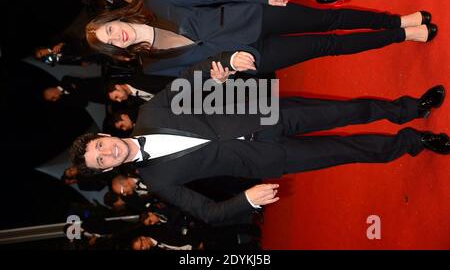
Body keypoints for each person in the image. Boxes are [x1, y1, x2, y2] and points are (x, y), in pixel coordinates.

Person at [69, 59, 448, 223]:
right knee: (347, 152)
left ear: (105, 136)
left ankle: (410, 108)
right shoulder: (156, 181)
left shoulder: (149, 114)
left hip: (265, 113)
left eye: (100, 147)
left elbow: (188, 81)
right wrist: (245, 201)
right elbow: (206, 212)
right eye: (101, 161)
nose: (106, 153)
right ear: (110, 169)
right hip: (267, 159)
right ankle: (415, 141)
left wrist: (220, 69)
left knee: (346, 111)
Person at [85, 0, 438, 77]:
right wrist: (219, 77)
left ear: (117, 18)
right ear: (113, 50)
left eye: (112, 28)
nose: (118, 35)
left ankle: (396, 20)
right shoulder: (150, 65)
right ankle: (402, 36)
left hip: (252, 18)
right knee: (328, 46)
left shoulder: (153, 3)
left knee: (328, 21)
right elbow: (196, 75)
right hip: (252, 58)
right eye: (110, 41)